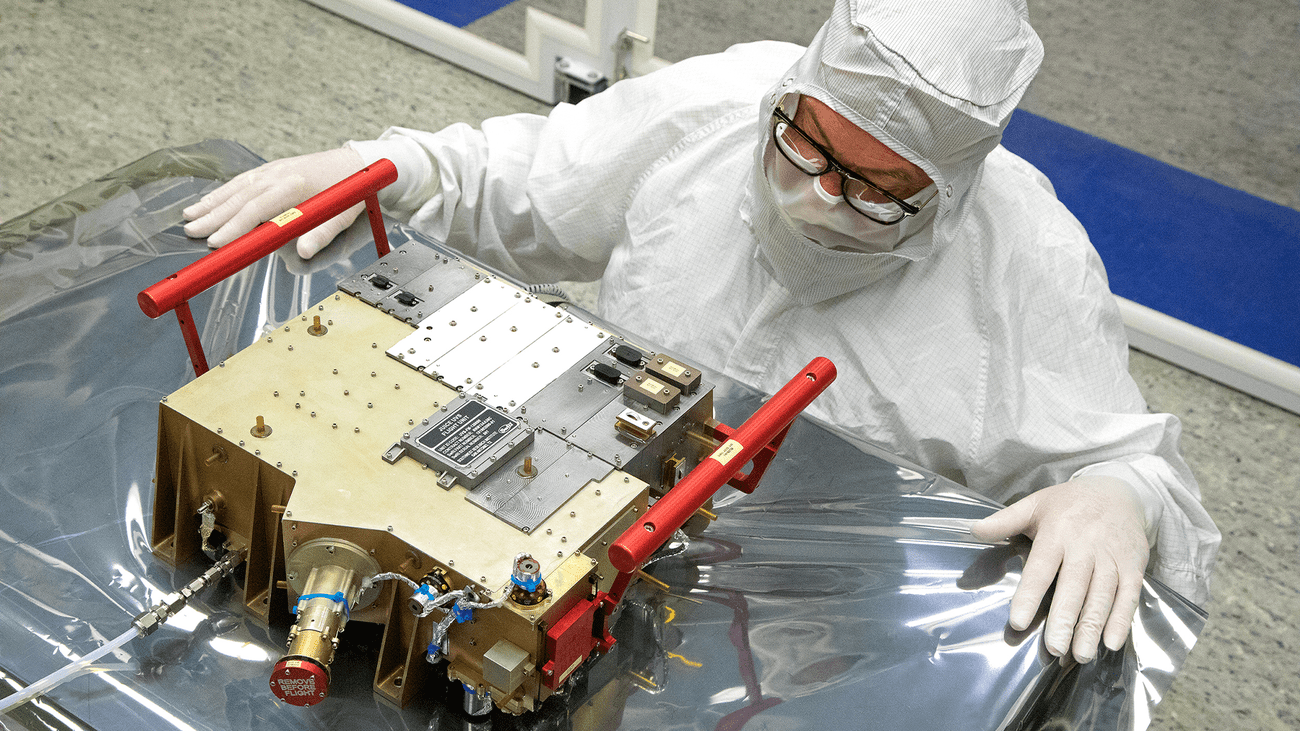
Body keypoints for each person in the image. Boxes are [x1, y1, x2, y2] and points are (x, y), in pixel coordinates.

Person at [182, 0, 1219, 665]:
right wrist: (392, 166)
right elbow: (526, 184)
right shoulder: (718, 105)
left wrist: (1120, 493)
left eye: (868, 186)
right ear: (790, 92)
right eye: (805, 141)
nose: (815, 193)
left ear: (945, 191)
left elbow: (1127, 471)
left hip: (812, 631)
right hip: (563, 524)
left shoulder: (1026, 262)